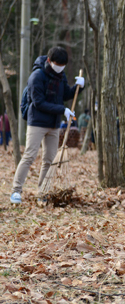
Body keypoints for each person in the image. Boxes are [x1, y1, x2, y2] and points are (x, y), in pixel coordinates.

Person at [10, 47, 84, 204]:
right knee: (29, 155)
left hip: (54, 124)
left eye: (63, 65)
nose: (60, 68)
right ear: (49, 61)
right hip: (37, 122)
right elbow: (38, 103)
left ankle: (42, 192)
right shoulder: (37, 76)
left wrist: (79, 87)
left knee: (49, 159)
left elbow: (65, 95)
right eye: (58, 64)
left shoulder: (61, 75)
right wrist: (62, 109)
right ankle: (16, 190)